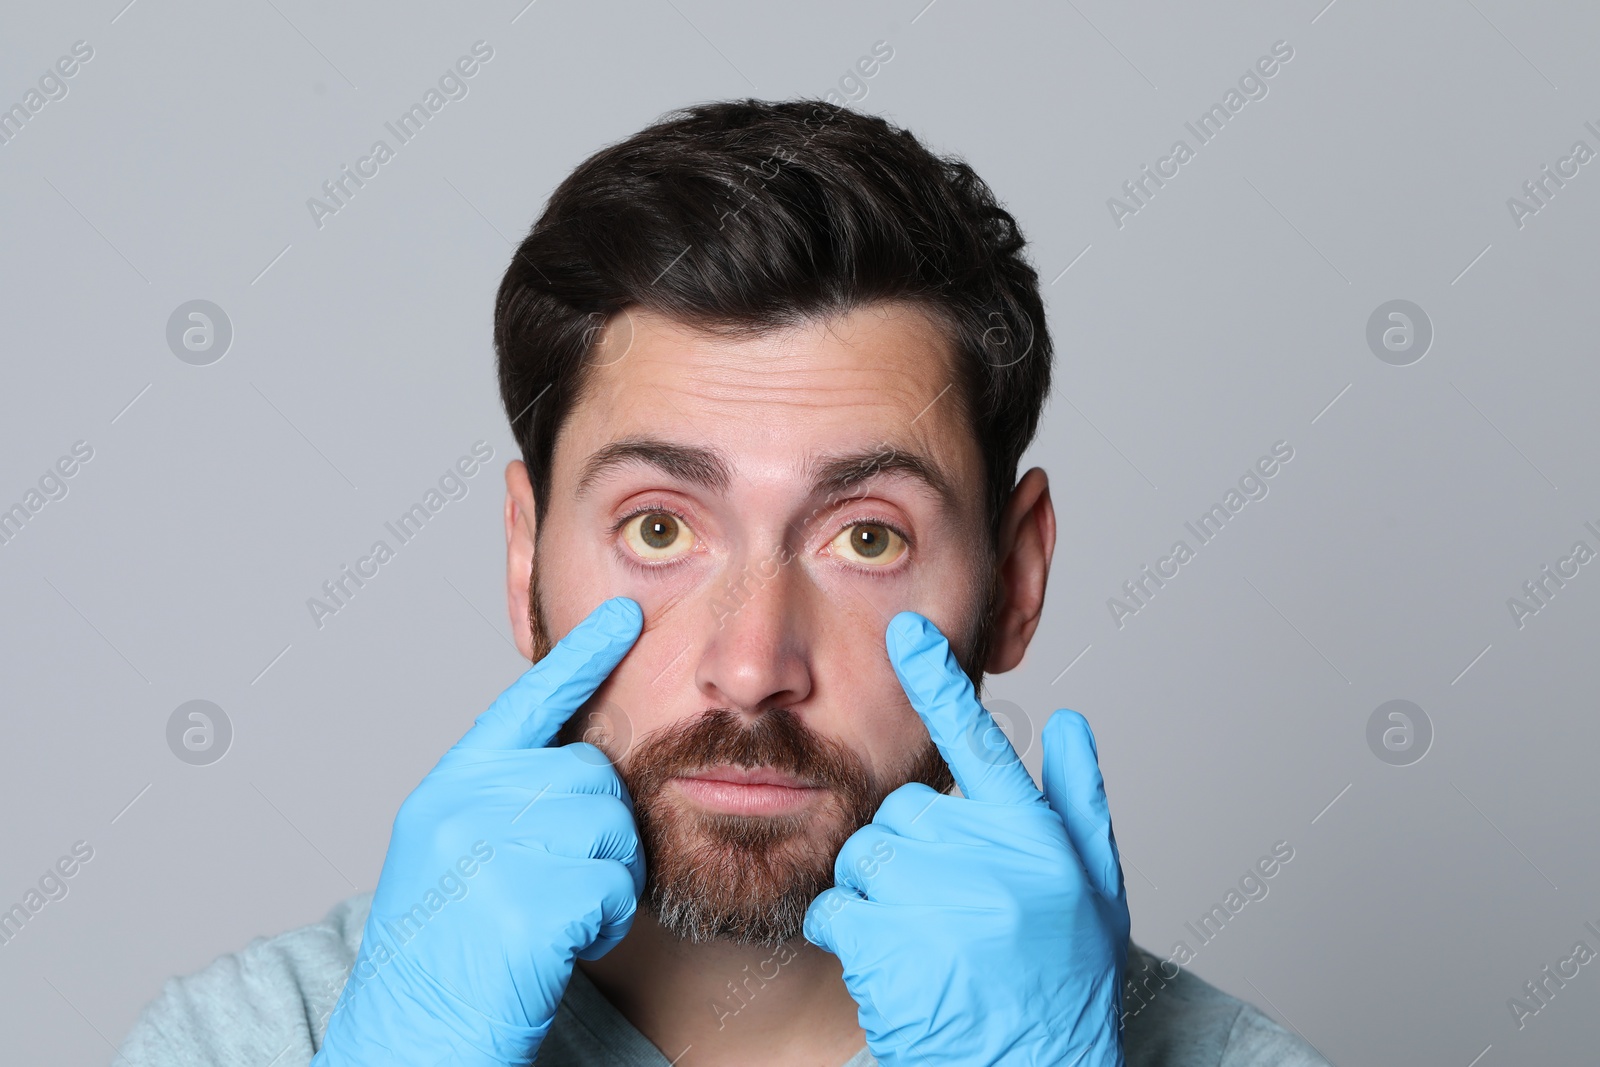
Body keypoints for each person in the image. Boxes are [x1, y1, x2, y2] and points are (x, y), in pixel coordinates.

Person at [116, 100, 1329, 1067]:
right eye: (656, 527)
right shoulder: (261, 1037)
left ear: (1013, 578)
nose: (751, 663)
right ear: (522, 556)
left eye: (864, 538)